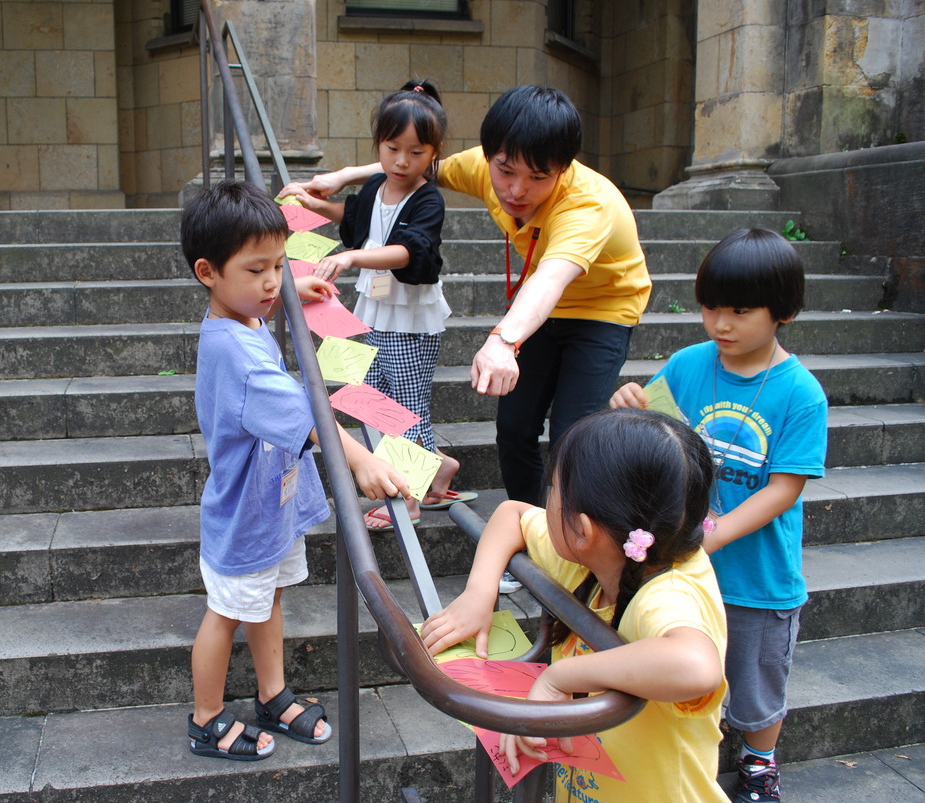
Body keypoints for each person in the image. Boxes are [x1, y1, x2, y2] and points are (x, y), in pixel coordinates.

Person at [285, 87, 651, 583]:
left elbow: (552, 277)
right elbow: (416, 161)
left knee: (573, 435)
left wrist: (502, 340)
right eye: (505, 171)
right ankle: (528, 536)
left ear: (563, 169)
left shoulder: (588, 205)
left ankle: (573, 556)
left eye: (537, 177)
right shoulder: (482, 165)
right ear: (491, 156)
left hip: (601, 311)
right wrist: (343, 176)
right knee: (515, 428)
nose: (516, 190)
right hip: (534, 310)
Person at [181, 180, 411, 761]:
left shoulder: (242, 315)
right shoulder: (237, 355)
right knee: (227, 614)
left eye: (279, 266)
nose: (271, 281)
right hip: (245, 513)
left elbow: (266, 295)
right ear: (208, 272)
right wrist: (361, 460)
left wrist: (289, 291)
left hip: (271, 501)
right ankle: (206, 718)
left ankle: (272, 693)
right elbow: (311, 418)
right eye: (257, 270)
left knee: (270, 597)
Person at [610, 229, 827, 803]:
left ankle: (759, 761)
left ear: (783, 312)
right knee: (684, 663)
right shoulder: (688, 365)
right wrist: (628, 406)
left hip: (757, 578)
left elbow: (784, 489)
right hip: (684, 567)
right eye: (710, 308)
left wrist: (716, 533)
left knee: (755, 683)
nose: (720, 324)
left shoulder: (800, 393)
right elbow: (654, 435)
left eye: (739, 311)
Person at [421, 408, 729, 802]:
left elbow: (696, 665)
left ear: (583, 530)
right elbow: (512, 514)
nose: (547, 499)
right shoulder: (602, 556)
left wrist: (559, 677)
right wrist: (479, 593)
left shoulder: (667, 594)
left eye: (553, 488)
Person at [282, 79, 475, 530]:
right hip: (373, 308)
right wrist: (310, 203)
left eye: (416, 152)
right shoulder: (376, 186)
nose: (402, 161)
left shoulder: (427, 199)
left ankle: (408, 498)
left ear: (435, 153)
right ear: (379, 146)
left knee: (404, 407)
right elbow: (353, 218)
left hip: (410, 319)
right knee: (371, 396)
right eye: (392, 149)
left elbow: (409, 251)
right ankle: (436, 466)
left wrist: (350, 258)